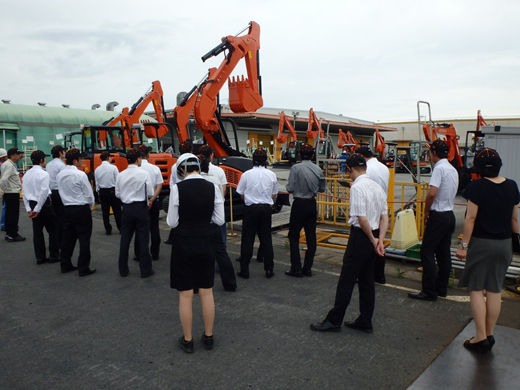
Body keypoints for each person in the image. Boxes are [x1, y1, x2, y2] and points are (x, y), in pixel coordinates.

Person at [310, 153, 388, 333]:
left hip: (361, 236)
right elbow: (384, 216)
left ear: (350, 169)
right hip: (375, 234)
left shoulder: (357, 188)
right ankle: (365, 320)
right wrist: (380, 240)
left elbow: (362, 219)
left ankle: (334, 320)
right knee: (367, 281)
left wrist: (371, 239)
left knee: (347, 279)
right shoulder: (377, 187)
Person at [456, 148, 519, 352]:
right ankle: (489, 334)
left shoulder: (477, 187)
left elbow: (470, 218)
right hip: (504, 244)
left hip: (482, 243)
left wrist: (464, 245)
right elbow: (514, 220)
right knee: (494, 288)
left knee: (476, 288)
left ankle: (480, 337)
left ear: (480, 168)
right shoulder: (512, 186)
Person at [167, 153, 225, 353]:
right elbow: (219, 220)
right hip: (206, 241)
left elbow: (172, 223)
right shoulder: (213, 187)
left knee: (185, 294)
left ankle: (188, 340)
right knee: (206, 291)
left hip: (183, 242)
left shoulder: (177, 188)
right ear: (198, 167)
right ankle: (208, 337)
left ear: (181, 169)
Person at [408, 140, 458, 301]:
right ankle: (441, 288)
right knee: (443, 253)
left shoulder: (439, 168)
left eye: (430, 152)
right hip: (449, 214)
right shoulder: (452, 169)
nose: (429, 155)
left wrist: (426, 210)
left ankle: (429, 291)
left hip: (438, 214)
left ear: (434, 153)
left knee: (427, 251)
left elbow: (431, 193)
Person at [198, 145, 237, 291]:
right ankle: (219, 266)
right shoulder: (219, 171)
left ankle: (204, 266)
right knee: (220, 242)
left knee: (201, 242)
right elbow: (224, 189)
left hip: (201, 213)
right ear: (212, 156)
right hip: (216, 210)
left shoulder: (196, 171)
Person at [236, 148, 278, 279]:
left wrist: (250, 200)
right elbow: (274, 194)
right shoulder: (271, 175)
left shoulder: (246, 174)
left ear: (252, 160)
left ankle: (244, 270)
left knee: (247, 239)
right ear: (266, 160)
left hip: (251, 208)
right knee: (266, 239)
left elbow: (240, 193)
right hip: (266, 208)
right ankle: (269, 269)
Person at [285, 144, 325, 277]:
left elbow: (290, 188)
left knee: (294, 236)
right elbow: (322, 189)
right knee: (311, 237)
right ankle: (307, 268)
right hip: (311, 204)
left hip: (299, 204)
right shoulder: (318, 169)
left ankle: (296, 268)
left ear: (300, 155)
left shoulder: (296, 168)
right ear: (313, 155)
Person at [115, 148, 155, 278]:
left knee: (125, 239)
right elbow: (150, 192)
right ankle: (145, 270)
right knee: (143, 239)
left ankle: (123, 269)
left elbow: (118, 193)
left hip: (127, 208)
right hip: (140, 208)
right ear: (138, 159)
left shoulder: (121, 174)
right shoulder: (144, 174)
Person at [56, 148, 96, 276]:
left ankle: (65, 264)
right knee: (84, 238)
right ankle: (83, 267)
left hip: (67, 208)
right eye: (80, 159)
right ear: (75, 161)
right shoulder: (80, 174)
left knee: (67, 238)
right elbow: (89, 195)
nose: (81, 161)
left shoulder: (60, 174)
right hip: (81, 208)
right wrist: (90, 206)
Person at [357, 146, 390, 284]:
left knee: (366, 242)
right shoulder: (384, 167)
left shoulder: (367, 170)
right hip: (381, 205)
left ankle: (364, 275)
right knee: (379, 241)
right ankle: (379, 275)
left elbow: (365, 187)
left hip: (369, 208)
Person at [22, 150, 59, 264]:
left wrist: (29, 209)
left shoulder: (26, 174)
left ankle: (40, 257)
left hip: (32, 204)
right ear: (41, 160)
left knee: (37, 232)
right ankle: (53, 255)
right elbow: (44, 192)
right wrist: (38, 209)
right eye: (44, 159)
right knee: (53, 230)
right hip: (44, 205)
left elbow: (24, 193)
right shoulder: (44, 173)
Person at [136, 145, 163, 260]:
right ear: (147, 155)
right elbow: (159, 185)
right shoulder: (155, 168)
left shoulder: (136, 169)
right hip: (153, 201)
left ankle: (140, 254)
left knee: (140, 229)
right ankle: (155, 253)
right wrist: (152, 199)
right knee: (154, 227)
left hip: (139, 202)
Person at [165, 140, 193, 245]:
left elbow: (171, 183)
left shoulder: (174, 166)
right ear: (191, 150)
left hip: (179, 195)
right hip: (192, 196)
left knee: (178, 218)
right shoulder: (196, 163)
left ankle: (175, 239)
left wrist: (175, 193)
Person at [0, 147, 25, 242]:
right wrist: (2, 191)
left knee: (9, 214)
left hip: (10, 192)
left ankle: (10, 233)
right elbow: (3, 180)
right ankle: (12, 234)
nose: (19, 156)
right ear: (13, 155)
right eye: (18, 154)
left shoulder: (8, 164)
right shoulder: (9, 165)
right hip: (11, 193)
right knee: (13, 215)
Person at [94, 151, 121, 235]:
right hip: (112, 191)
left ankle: (108, 229)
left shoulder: (97, 169)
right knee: (117, 211)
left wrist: (99, 192)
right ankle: (120, 228)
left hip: (102, 192)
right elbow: (118, 181)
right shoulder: (113, 168)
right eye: (110, 157)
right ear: (107, 158)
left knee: (105, 212)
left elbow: (97, 183)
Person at [46, 145, 66, 256]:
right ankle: (62, 242)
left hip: (51, 193)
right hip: (59, 192)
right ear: (60, 153)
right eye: (63, 151)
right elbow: (63, 180)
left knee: (55, 218)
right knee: (62, 218)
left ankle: (56, 242)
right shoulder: (61, 165)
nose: (64, 153)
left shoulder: (49, 164)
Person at [0, 148, 8, 231]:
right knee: (5, 207)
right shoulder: (5, 164)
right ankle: (3, 225)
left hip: (4, 188)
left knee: (5, 207)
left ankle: (4, 224)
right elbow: (3, 179)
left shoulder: (4, 164)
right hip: (6, 189)